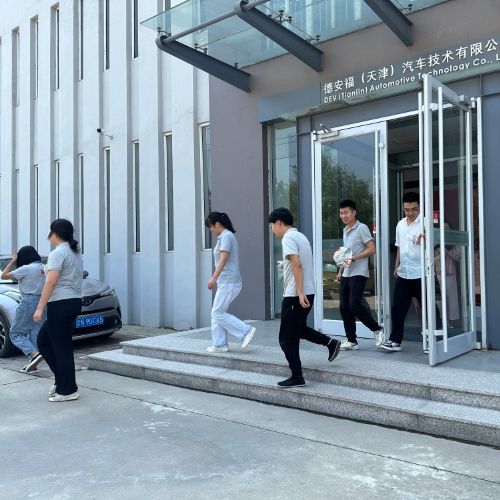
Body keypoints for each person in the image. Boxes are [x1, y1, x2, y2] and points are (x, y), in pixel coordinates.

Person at [268, 207, 340, 388]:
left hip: (295, 295)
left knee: (286, 339)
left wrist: (299, 293)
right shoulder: (300, 236)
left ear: (278, 223)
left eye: (272, 226)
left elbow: (297, 264)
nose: (272, 230)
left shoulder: (288, 238)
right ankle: (330, 343)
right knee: (297, 329)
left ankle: (297, 376)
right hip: (306, 292)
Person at [33, 219, 83, 402]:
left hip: (60, 303)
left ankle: (68, 390)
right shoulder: (74, 253)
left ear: (54, 233)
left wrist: (40, 308)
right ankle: (62, 380)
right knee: (44, 340)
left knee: (61, 348)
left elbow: (51, 282)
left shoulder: (58, 253)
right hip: (73, 301)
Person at [381, 192, 434, 351]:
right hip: (404, 272)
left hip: (421, 273)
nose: (410, 213)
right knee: (398, 308)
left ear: (419, 207)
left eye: (414, 209)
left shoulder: (426, 222)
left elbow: (435, 244)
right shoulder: (400, 224)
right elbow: (399, 247)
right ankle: (395, 341)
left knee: (428, 307)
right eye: (407, 210)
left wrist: (426, 239)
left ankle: (433, 340)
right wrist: (396, 266)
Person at [336, 200, 384, 350]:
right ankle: (351, 340)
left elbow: (372, 249)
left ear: (354, 213)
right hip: (347, 272)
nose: (343, 216)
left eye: (346, 212)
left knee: (354, 304)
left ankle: (377, 329)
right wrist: (340, 271)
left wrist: (354, 258)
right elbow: (346, 253)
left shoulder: (362, 228)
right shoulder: (345, 230)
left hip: (359, 272)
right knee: (344, 307)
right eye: (341, 213)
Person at [205, 212, 256, 353]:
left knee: (217, 312)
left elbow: (223, 258)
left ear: (217, 224)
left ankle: (245, 331)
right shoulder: (224, 236)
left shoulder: (226, 236)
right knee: (217, 312)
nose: (211, 230)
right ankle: (220, 344)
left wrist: (213, 278)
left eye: (210, 227)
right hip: (226, 282)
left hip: (229, 282)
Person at [0, 246, 46, 373]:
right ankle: (34, 362)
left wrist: (13, 260)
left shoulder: (26, 268)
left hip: (28, 301)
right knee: (35, 333)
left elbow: (3, 275)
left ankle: (34, 354)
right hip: (43, 302)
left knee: (15, 333)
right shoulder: (44, 268)